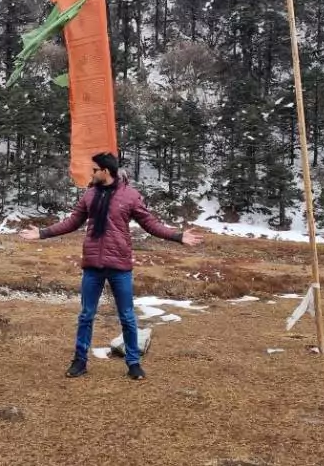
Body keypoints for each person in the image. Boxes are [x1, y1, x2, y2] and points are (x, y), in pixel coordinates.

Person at [19, 152, 204, 380]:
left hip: (120, 266)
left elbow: (150, 224)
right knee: (86, 315)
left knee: (127, 316)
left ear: (106, 172)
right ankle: (80, 361)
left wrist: (177, 236)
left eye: (95, 170)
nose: (92, 173)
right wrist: (43, 233)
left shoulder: (130, 196)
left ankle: (133, 363)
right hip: (92, 266)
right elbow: (72, 222)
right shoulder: (89, 195)